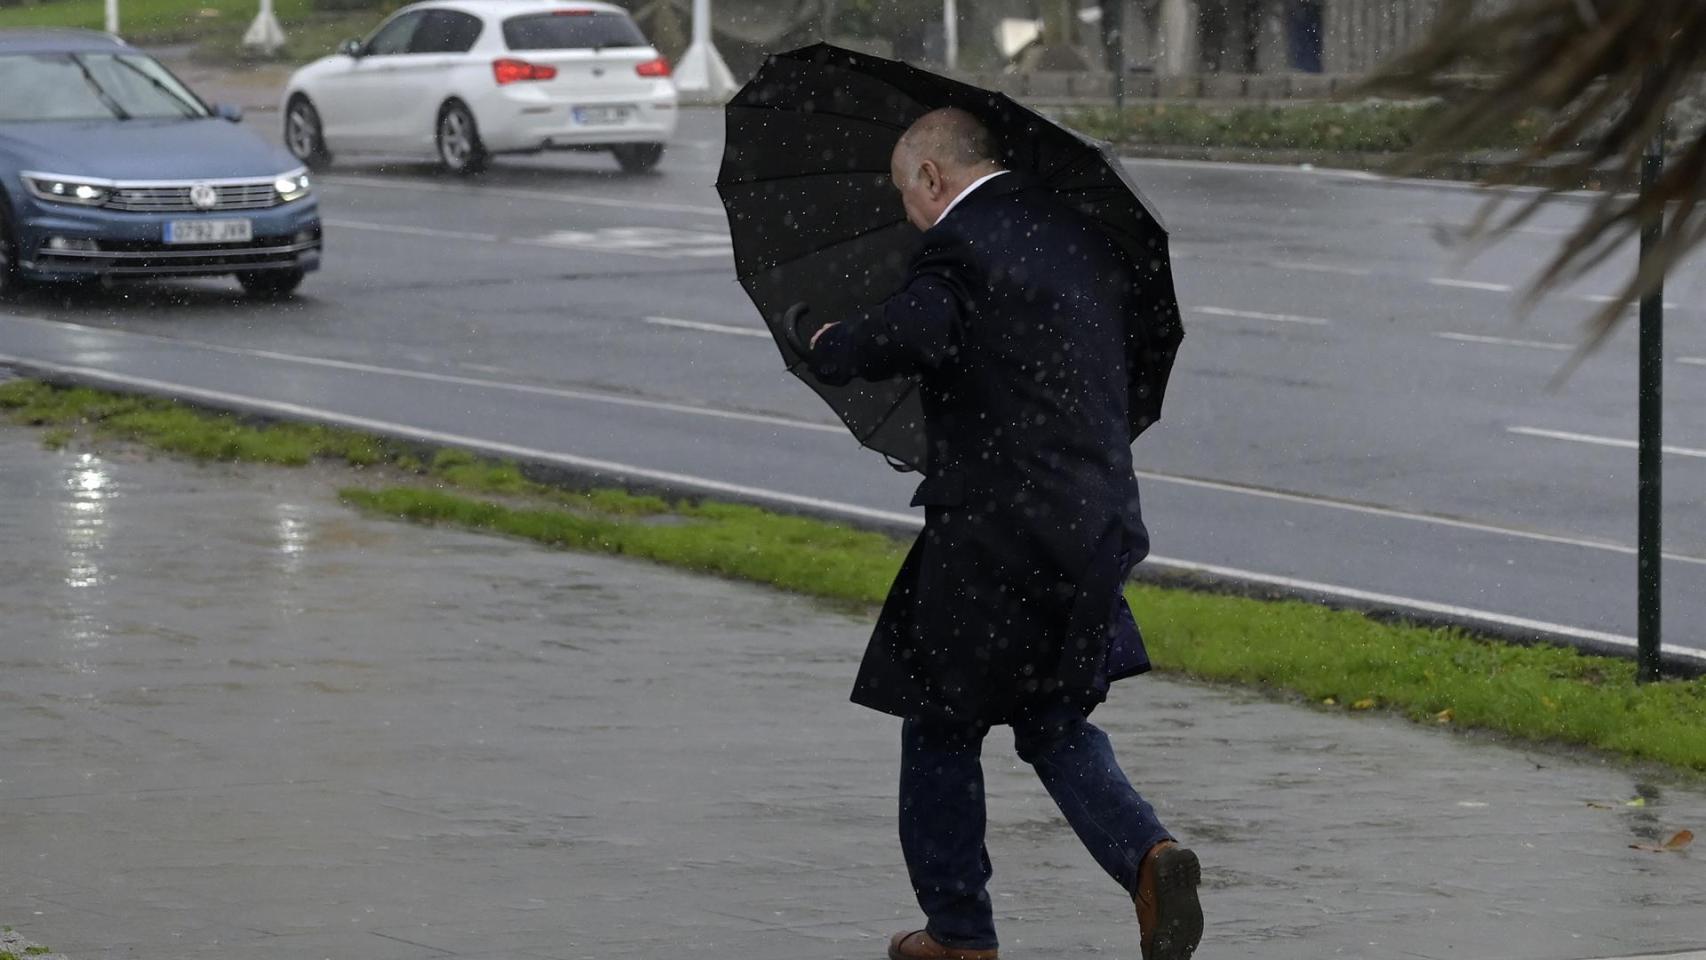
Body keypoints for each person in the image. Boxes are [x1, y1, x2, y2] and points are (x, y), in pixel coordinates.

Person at [783, 108, 1202, 960]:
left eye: (908, 195)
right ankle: (1150, 857)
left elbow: (914, 331)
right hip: (1097, 520)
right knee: (1050, 719)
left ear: (932, 177)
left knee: (937, 722)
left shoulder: (961, 246)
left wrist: (827, 339)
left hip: (995, 534)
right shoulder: (1077, 237)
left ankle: (960, 935)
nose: (909, 214)